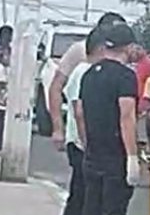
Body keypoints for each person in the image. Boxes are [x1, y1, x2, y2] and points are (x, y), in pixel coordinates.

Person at [76, 22, 144, 215]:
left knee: (90, 212)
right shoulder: (125, 77)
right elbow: (126, 116)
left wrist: (87, 143)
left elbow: (80, 114)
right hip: (116, 153)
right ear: (128, 47)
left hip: (93, 151)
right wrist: (132, 156)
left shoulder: (89, 75)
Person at [54, 28, 105, 215]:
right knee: (83, 205)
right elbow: (79, 112)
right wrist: (58, 129)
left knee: (82, 203)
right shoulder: (84, 70)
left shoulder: (90, 71)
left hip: (84, 145)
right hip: (82, 145)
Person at [49, 12, 127, 148]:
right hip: (80, 135)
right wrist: (58, 128)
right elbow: (56, 86)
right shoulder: (80, 51)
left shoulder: (120, 54)